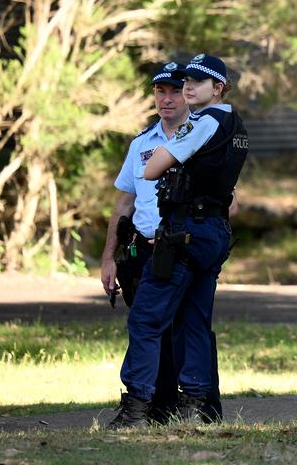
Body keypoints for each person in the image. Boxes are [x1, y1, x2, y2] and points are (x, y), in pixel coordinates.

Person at [109, 54, 248, 428]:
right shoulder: (234, 124)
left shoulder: (203, 122)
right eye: (187, 80)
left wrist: (164, 155)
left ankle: (137, 409)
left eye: (197, 82)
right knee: (193, 320)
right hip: (212, 231)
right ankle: (195, 407)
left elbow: (152, 168)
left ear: (217, 88)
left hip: (186, 233)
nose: (188, 88)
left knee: (145, 318)